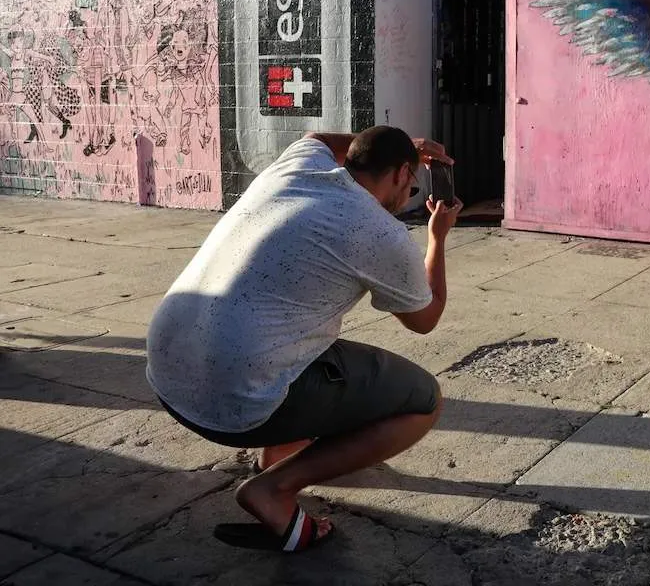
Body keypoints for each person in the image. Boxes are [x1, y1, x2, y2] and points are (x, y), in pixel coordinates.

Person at [145, 126, 463, 553]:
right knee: (424, 399)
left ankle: (275, 456)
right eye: (410, 180)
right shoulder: (381, 233)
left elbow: (318, 136)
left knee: (297, 342)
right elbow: (426, 319)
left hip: (166, 375)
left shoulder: (297, 166)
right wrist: (437, 237)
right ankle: (273, 489)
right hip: (232, 403)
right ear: (403, 171)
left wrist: (407, 144)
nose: (409, 190)